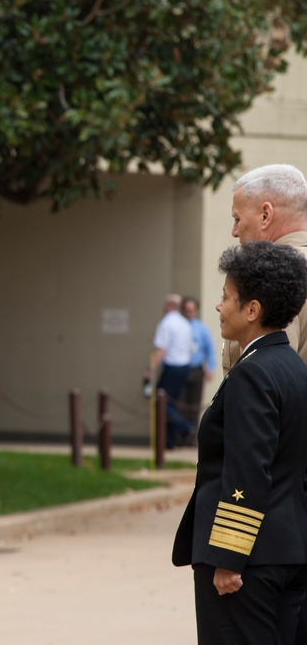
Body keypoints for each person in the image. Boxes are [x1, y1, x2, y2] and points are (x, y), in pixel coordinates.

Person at [172, 240, 307, 644]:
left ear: (253, 310)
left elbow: (248, 468)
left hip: (250, 561)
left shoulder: (253, 372)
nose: (219, 306)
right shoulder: (294, 368)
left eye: (227, 297)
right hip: (289, 550)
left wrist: (229, 557)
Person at [224, 163, 307, 371]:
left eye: (237, 218)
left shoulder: (270, 274)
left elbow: (269, 377)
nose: (234, 231)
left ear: (265, 215)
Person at [147, 293, 193, 449]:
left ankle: (185, 427)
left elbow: (161, 350)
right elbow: (189, 349)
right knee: (171, 404)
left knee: (161, 403)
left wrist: (150, 370)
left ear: (168, 306)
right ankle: (169, 441)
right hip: (184, 367)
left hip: (172, 367)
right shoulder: (185, 323)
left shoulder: (166, 323)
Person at [180, 296, 215, 434]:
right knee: (180, 404)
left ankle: (191, 434)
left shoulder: (201, 328)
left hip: (197, 370)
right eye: (187, 310)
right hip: (182, 369)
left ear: (196, 311)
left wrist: (210, 368)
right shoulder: (179, 326)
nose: (189, 312)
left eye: (192, 310)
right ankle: (180, 435)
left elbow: (209, 350)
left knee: (194, 405)